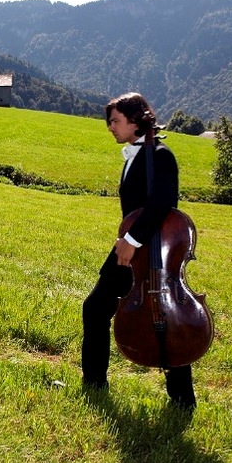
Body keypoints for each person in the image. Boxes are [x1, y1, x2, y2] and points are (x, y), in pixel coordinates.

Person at [80, 92, 196, 409]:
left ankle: (183, 400)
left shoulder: (160, 155)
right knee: (95, 309)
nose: (110, 127)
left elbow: (162, 205)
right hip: (131, 250)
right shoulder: (137, 154)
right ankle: (93, 385)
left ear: (136, 120)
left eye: (115, 121)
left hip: (149, 252)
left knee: (164, 317)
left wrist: (130, 242)